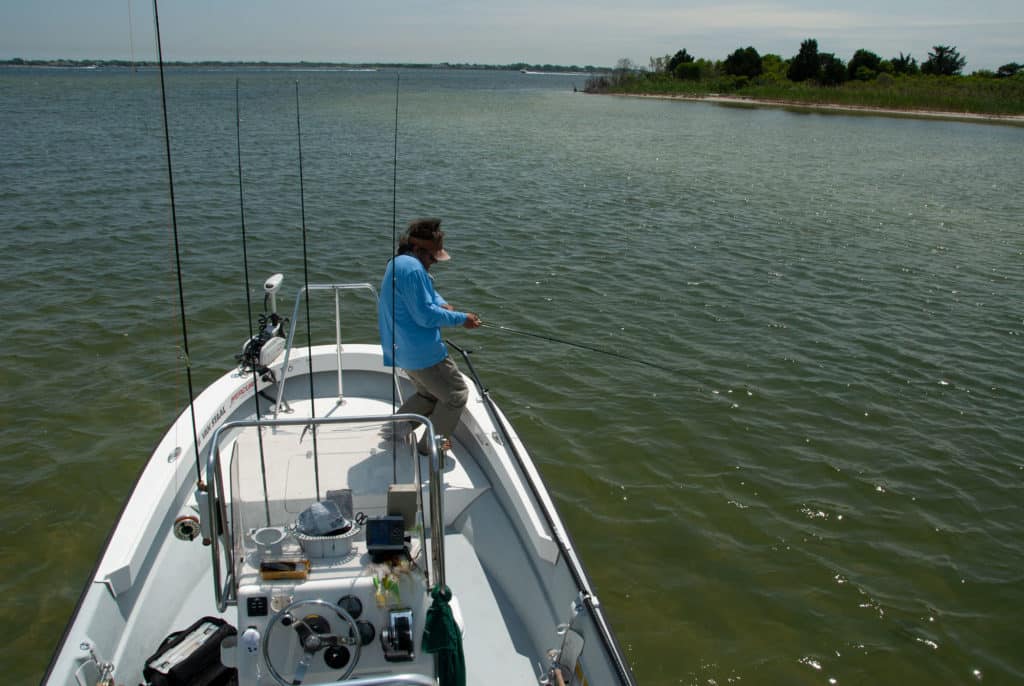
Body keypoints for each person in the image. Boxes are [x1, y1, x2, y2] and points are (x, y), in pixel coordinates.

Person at [378, 218, 481, 455]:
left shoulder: (399, 263)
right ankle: (432, 449)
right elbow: (424, 316)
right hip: (423, 354)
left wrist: (442, 304)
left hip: (400, 349)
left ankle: (395, 431)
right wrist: (462, 318)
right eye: (432, 257)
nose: (434, 262)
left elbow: (427, 294)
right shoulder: (413, 268)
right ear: (417, 249)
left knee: (428, 393)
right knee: (456, 395)